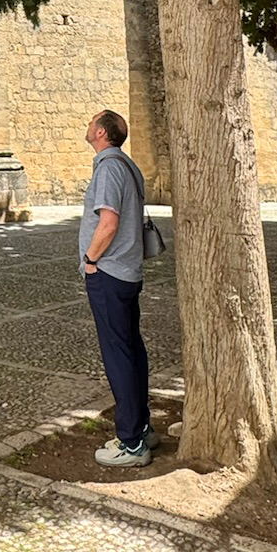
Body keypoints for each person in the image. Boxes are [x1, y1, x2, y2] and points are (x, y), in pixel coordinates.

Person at [80, 108, 153, 468]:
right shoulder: (127, 166)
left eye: (92, 122)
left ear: (102, 133)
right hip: (128, 271)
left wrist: (90, 260)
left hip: (109, 273)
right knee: (132, 351)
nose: (87, 126)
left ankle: (131, 442)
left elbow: (108, 223)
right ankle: (143, 426)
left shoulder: (108, 168)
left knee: (118, 356)